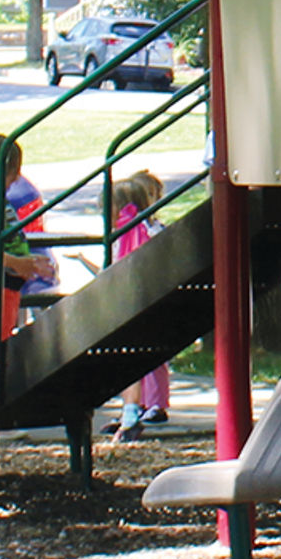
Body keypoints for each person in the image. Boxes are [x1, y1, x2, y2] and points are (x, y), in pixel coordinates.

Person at [0, 132, 59, 353]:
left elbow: (5, 242)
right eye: (12, 171)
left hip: (7, 284)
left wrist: (29, 262)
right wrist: (14, 262)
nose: (16, 178)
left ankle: (0, 377)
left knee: (4, 336)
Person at [108, 166, 174, 438]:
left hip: (137, 301)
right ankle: (136, 406)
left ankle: (140, 407)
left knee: (137, 358)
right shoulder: (141, 231)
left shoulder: (129, 233)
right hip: (141, 299)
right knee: (135, 359)